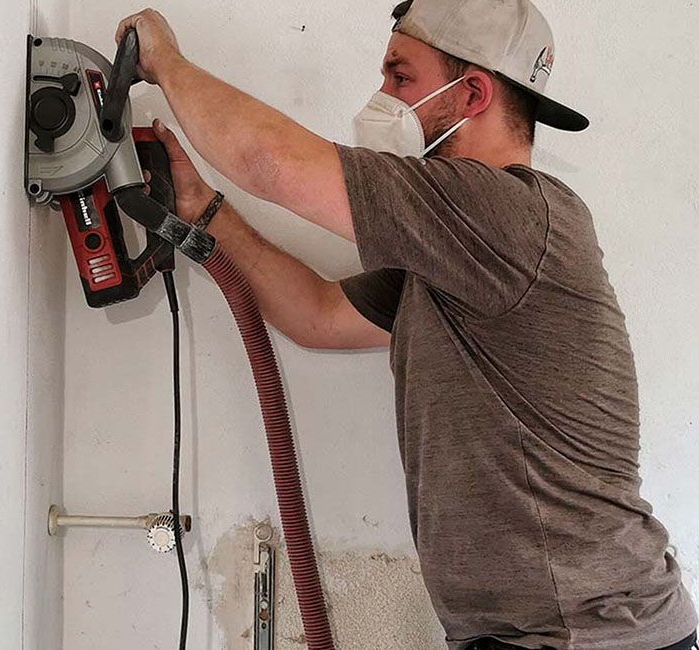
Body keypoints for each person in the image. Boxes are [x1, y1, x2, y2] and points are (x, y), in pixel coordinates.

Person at [117, 1, 698, 649]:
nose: (381, 97)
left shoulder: (505, 213)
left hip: (588, 635)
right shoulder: (451, 254)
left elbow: (271, 163)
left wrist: (165, 62)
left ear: (471, 92)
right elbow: (317, 315)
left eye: (400, 78)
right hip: (535, 633)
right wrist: (207, 211)